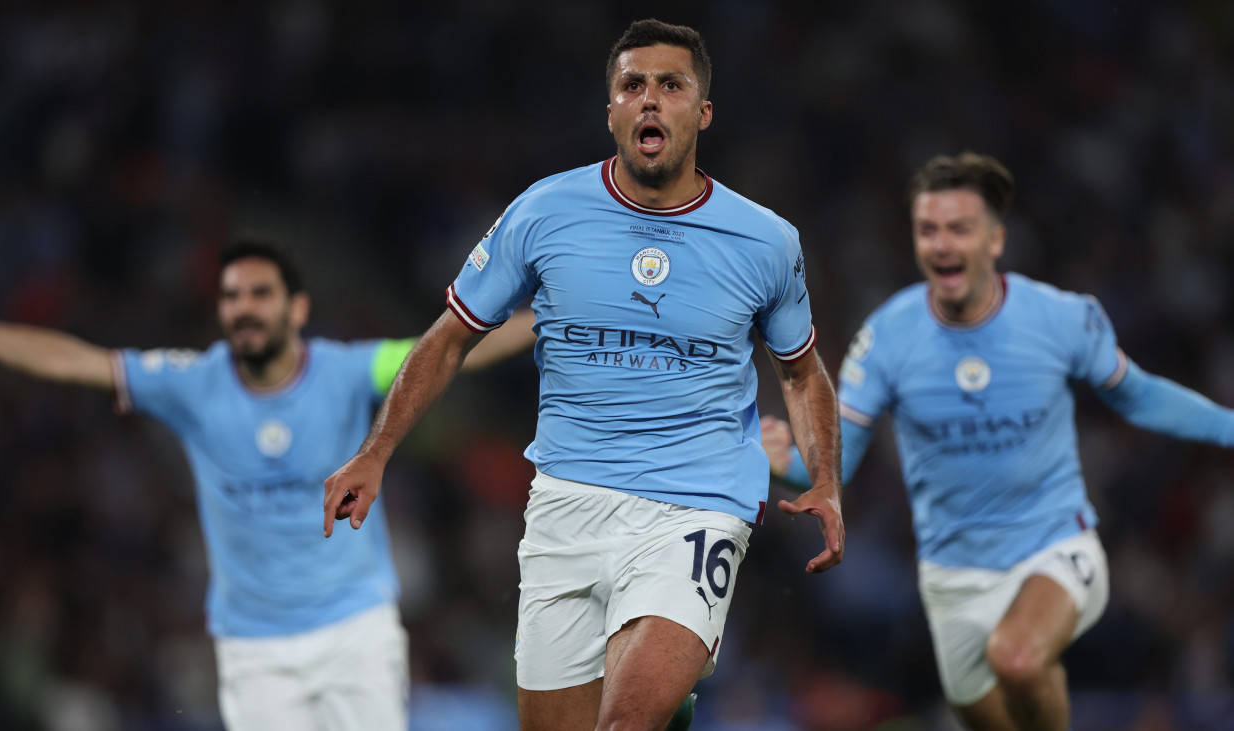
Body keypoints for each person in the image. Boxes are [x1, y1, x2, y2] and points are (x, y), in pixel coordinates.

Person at [322, 18, 845, 731]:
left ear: (703, 111)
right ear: (612, 111)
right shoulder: (544, 212)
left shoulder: (765, 240)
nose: (651, 100)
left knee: (623, 723)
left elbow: (800, 370)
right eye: (633, 85)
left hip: (696, 503)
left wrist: (826, 479)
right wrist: (376, 450)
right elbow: (448, 340)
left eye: (672, 85)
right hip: (567, 502)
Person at [0, 240, 535, 731]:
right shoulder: (192, 384)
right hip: (254, 648)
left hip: (355, 630)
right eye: (231, 297)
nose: (243, 308)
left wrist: (556, 314)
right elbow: (77, 361)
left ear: (296, 308)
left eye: (259, 294)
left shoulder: (349, 371)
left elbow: (454, 348)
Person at [763, 152, 1234, 730]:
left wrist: (1229, 427)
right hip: (953, 577)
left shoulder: (1061, 317)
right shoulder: (888, 335)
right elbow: (839, 461)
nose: (942, 245)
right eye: (928, 230)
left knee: (1016, 658)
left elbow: (1139, 396)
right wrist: (784, 464)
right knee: (991, 712)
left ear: (995, 239)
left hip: (1054, 545)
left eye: (959, 229)